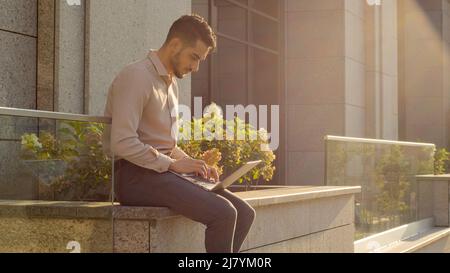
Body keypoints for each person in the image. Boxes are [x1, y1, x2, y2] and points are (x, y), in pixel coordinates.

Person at [103, 14, 255, 253]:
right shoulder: (136, 76)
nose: (195, 67)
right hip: (133, 177)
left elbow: (166, 144)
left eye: (200, 61)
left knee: (245, 213)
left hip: (161, 173)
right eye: (194, 57)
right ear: (174, 44)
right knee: (224, 213)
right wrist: (174, 165)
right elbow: (121, 142)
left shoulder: (171, 84)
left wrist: (194, 164)